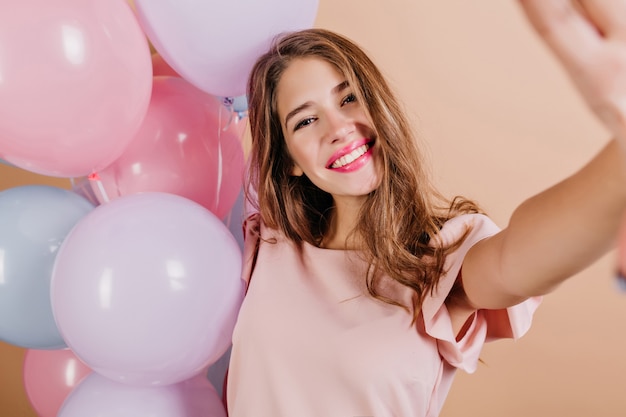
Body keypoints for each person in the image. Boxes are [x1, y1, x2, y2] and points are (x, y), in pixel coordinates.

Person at [226, 1, 626, 416]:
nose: (339, 127)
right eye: (305, 121)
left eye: (348, 98)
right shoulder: (266, 242)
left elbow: (517, 261)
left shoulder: (439, 260)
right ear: (288, 158)